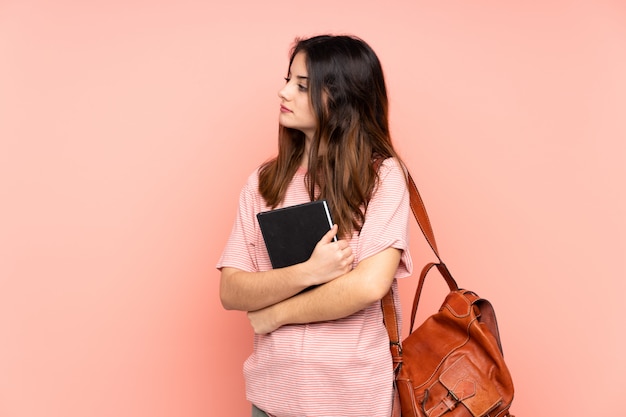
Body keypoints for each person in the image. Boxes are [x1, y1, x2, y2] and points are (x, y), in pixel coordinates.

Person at [217, 34, 413, 417]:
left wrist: (276, 313)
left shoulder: (383, 177)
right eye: (288, 79)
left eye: (302, 86)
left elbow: (368, 285)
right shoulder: (263, 182)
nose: (283, 92)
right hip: (273, 396)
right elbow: (231, 289)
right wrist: (309, 272)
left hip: (352, 400)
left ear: (341, 97)